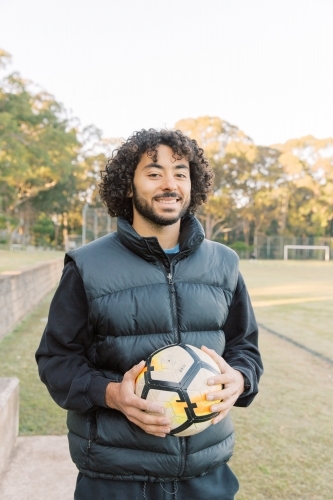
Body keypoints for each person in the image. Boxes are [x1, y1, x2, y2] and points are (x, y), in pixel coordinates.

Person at [36, 128, 263, 500]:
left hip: (207, 475)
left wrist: (239, 379)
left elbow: (245, 348)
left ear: (193, 183)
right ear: (129, 185)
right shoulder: (87, 266)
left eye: (180, 172)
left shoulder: (225, 263)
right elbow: (56, 360)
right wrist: (112, 394)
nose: (170, 184)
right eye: (154, 173)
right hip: (116, 478)